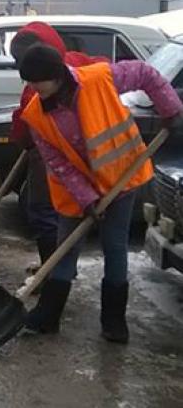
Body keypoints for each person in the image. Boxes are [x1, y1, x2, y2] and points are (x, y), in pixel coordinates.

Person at [17, 43, 183, 343]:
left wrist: (169, 108)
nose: (31, 87)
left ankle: (114, 322)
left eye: (35, 81)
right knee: (65, 247)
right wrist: (87, 198)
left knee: (114, 245)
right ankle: (48, 317)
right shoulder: (36, 114)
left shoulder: (100, 78)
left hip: (120, 177)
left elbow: (145, 73)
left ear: (55, 76)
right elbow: (56, 162)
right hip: (75, 189)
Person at [10, 22, 107, 267]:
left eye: (19, 59)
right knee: (66, 215)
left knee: (43, 211)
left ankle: (51, 272)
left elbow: (25, 125)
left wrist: (21, 141)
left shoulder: (38, 87)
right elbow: (106, 67)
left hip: (50, 155)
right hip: (88, 152)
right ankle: (57, 270)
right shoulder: (79, 62)